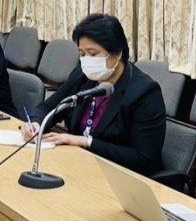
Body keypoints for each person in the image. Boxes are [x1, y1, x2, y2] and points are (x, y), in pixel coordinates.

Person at [20, 13, 165, 175]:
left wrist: (87, 142)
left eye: (93, 54)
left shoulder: (144, 92)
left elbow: (145, 159)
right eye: (82, 54)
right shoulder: (81, 76)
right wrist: (35, 123)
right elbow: (47, 108)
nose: (87, 60)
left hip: (118, 175)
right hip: (77, 164)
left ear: (117, 53)